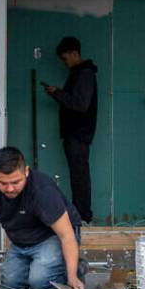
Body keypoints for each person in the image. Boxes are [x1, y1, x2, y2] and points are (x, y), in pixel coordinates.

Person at [0, 146, 85, 289]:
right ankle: (39, 265)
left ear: (27, 172)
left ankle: (76, 268)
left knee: (40, 282)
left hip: (51, 236)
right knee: (11, 285)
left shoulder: (42, 191)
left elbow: (66, 236)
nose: (10, 189)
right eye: (3, 183)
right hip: (20, 240)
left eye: (16, 182)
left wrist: (72, 276)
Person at [43, 36, 97, 223]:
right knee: (78, 174)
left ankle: (83, 215)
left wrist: (58, 93)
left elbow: (80, 104)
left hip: (78, 133)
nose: (65, 63)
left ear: (75, 54)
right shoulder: (82, 73)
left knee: (79, 175)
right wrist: (58, 93)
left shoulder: (84, 74)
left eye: (65, 58)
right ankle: (81, 214)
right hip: (78, 132)